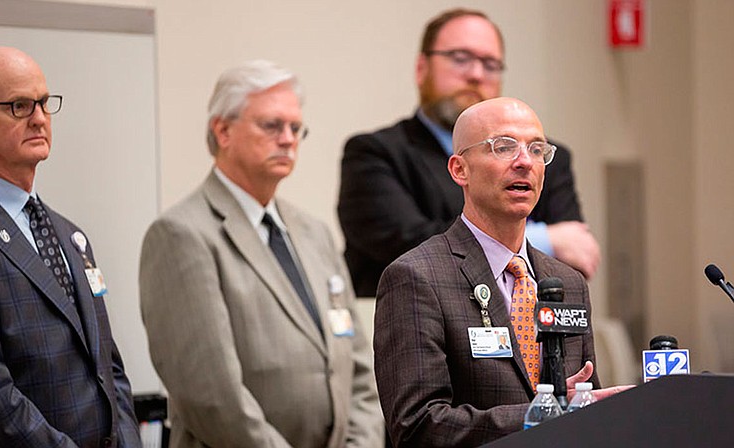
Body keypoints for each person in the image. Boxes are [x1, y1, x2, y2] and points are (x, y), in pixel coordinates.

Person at [139, 60, 384, 448]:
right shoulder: (182, 234)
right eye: (271, 126)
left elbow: (357, 371)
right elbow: (212, 399)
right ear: (223, 130)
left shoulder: (315, 233)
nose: (288, 139)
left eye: (295, 128)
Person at [373, 97, 629, 447]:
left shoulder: (566, 283)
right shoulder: (416, 278)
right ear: (459, 169)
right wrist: (542, 413)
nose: (524, 162)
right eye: (503, 147)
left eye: (537, 150)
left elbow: (583, 407)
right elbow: (418, 425)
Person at [338, 8, 600, 297]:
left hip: (530, 327)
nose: (476, 74)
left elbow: (574, 258)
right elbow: (407, 247)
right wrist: (546, 239)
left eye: (490, 64)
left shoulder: (546, 156)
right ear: (421, 68)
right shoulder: (375, 154)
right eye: (460, 58)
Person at [0, 46, 141, 447]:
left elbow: (109, 367)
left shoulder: (70, 235)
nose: (40, 119)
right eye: (19, 106)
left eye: (44, 104)